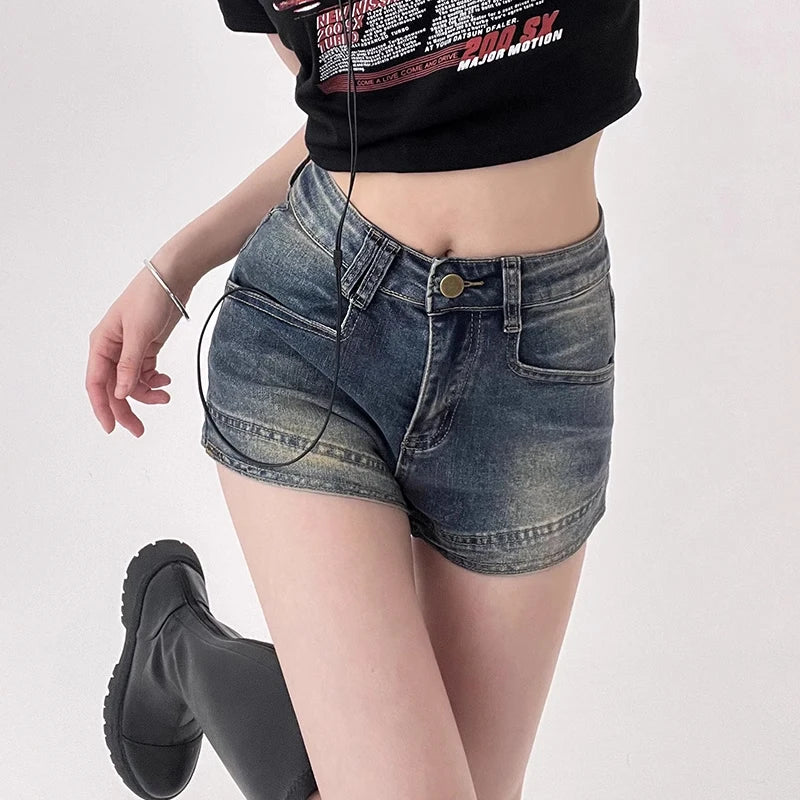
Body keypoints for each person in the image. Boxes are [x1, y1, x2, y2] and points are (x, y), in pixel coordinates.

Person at [86, 1, 642, 798]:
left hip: (533, 364)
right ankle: (184, 649)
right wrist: (176, 265)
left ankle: (182, 647)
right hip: (318, 324)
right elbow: (358, 128)